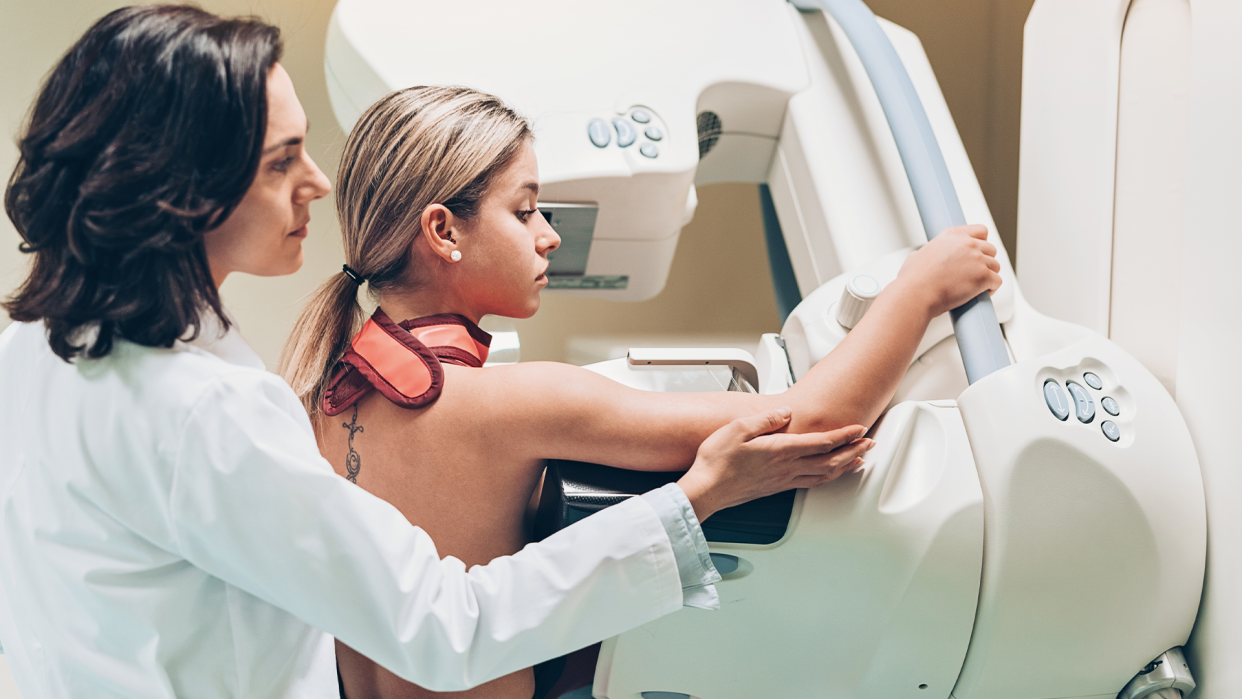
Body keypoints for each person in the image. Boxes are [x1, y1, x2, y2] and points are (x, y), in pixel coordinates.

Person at [0, 7, 867, 698]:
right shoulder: (203, 414)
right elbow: (446, 626)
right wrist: (697, 498)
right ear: (181, 190)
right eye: (281, 161)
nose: (318, 183)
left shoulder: (29, 353)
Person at [279, 87, 1002, 699]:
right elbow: (819, 417)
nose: (547, 236)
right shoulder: (507, 403)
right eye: (525, 210)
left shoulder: (319, 398)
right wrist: (922, 286)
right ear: (444, 230)